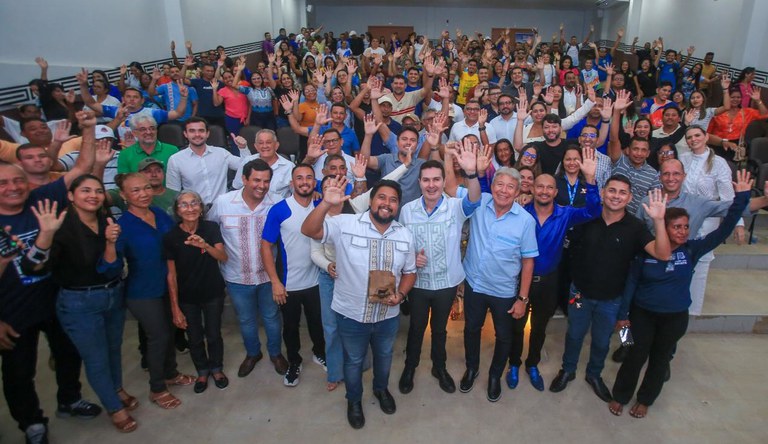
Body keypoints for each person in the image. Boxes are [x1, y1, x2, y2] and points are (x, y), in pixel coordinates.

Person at [608, 171, 752, 418]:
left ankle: (646, 399)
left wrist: (741, 198)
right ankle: (620, 395)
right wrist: (622, 317)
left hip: (675, 318)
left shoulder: (692, 250)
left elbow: (724, 228)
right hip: (642, 314)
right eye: (676, 227)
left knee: (660, 359)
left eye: (686, 227)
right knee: (633, 354)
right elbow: (630, 284)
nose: (683, 231)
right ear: (664, 228)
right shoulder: (646, 251)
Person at [0, 111, 100, 444]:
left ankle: (70, 399)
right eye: (3, 183)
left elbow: (82, 168)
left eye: (17, 181)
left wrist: (88, 128)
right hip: (12, 311)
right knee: (19, 372)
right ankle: (32, 424)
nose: (13, 188)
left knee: (68, 354)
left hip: (57, 299)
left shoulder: (41, 199)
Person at [301, 178, 417, 429]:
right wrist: (325, 204)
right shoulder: (345, 223)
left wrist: (401, 294)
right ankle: (353, 400)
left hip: (387, 315)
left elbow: (410, 272)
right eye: (382, 197)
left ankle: (380, 389)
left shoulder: (405, 235)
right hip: (352, 314)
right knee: (353, 361)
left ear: (398, 206)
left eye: (393, 200)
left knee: (384, 356)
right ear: (371, 200)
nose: (386, 203)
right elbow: (309, 230)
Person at [549, 175, 671, 403]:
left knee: (602, 341)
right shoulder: (586, 219)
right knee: (574, 335)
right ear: (603, 193)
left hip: (612, 299)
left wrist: (659, 221)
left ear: (630, 198)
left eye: (622, 192)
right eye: (612, 190)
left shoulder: (636, 227)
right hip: (579, 294)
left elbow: (663, 254)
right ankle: (568, 370)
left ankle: (594, 374)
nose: (616, 196)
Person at [50, 174, 138, 432]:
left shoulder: (105, 220)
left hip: (112, 293)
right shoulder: (59, 226)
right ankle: (114, 406)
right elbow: (44, 267)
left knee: (113, 349)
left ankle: (117, 388)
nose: (93, 196)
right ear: (71, 196)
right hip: (79, 301)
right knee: (96, 357)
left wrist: (110, 242)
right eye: (86, 191)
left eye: (98, 191)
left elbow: (112, 266)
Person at [509, 147, 602, 392]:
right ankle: (513, 364)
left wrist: (590, 180)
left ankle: (532, 364)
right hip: (520, 280)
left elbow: (593, 211)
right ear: (531, 189)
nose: (544, 191)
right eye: (539, 186)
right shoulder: (521, 211)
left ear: (555, 191)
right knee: (516, 327)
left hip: (549, 281)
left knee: (539, 328)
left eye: (549, 187)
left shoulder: (565, 214)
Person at [398, 144, 482, 395]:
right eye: (426, 180)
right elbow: (401, 244)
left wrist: (471, 173)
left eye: (436, 179)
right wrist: (411, 258)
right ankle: (410, 367)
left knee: (439, 329)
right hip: (418, 283)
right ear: (420, 183)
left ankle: (439, 367)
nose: (431, 185)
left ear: (444, 181)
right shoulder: (407, 211)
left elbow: (475, 199)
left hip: (446, 283)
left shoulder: (455, 207)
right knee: (416, 328)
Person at [116, 173, 195, 409]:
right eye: (136, 190)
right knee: (158, 335)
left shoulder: (159, 214)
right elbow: (113, 262)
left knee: (169, 331)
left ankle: (171, 373)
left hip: (168, 284)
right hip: (142, 290)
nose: (144, 194)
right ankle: (157, 388)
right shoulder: (122, 226)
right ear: (123, 195)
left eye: (147, 188)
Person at [460, 167, 539, 403]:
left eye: (510, 187)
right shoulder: (479, 202)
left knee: (504, 336)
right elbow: (452, 187)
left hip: (504, 291)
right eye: (500, 184)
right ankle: (472, 368)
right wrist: (466, 168)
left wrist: (522, 299)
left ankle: (495, 375)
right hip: (474, 284)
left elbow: (528, 261)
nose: (504, 190)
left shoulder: (525, 221)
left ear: (518, 192)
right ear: (492, 186)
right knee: (471, 329)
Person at [208, 159, 289, 378]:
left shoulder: (277, 202)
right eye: (256, 180)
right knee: (246, 320)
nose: (261, 186)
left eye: (266, 181)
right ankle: (253, 353)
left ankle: (275, 353)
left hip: (268, 277)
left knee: (272, 318)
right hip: (236, 277)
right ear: (244, 179)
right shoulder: (224, 202)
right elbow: (210, 228)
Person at [262, 164, 326, 387]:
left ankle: (320, 353)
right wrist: (275, 282)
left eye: (309, 177)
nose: (304, 182)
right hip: (288, 284)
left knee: (318, 322)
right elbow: (266, 246)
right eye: (299, 178)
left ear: (315, 182)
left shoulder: (321, 205)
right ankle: (294, 362)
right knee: (290, 327)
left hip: (316, 281)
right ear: (292, 183)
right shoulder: (279, 210)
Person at [164, 190, 229, 394]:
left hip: (213, 292)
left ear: (201, 208)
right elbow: (171, 275)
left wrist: (205, 245)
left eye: (194, 203)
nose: (190, 208)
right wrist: (175, 307)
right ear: (177, 210)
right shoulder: (171, 237)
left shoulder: (210, 228)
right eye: (184, 204)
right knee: (194, 337)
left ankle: (216, 368)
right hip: (187, 297)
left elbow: (223, 257)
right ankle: (202, 371)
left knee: (213, 334)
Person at [165, 118, 250, 206]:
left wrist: (243, 148)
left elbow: (247, 167)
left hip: (222, 208)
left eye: (201, 130)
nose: (197, 134)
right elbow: (173, 193)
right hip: (194, 210)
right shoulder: (175, 160)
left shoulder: (221, 153)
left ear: (207, 133)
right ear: (185, 134)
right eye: (192, 131)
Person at [232, 129, 294, 200]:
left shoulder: (289, 167)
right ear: (256, 146)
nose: (264, 146)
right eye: (261, 143)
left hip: (278, 205)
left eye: (268, 142)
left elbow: (296, 195)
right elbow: (237, 187)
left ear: (276, 145)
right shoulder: (248, 161)